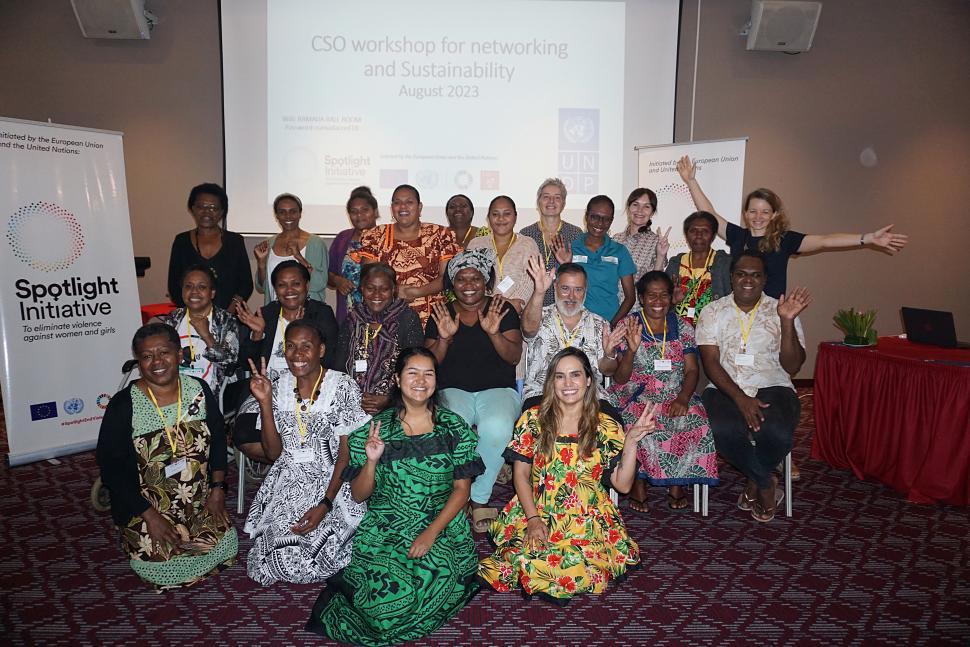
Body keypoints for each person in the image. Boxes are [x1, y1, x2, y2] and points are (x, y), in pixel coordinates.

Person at [307, 347, 484, 646]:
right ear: (397, 379)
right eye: (412, 372)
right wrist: (372, 460)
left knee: (425, 582)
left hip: (441, 525)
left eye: (428, 373)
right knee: (381, 608)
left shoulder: (454, 428)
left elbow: (461, 491)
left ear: (436, 380)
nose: (420, 380)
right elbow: (360, 494)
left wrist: (430, 534)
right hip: (386, 527)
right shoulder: (374, 430)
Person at [478, 348, 655, 602]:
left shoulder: (605, 425)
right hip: (539, 509)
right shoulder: (532, 419)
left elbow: (623, 486)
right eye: (560, 376)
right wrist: (533, 519)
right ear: (551, 382)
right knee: (525, 559)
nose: (568, 383)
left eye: (575, 375)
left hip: (587, 518)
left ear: (588, 380)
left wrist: (631, 443)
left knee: (571, 570)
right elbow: (521, 476)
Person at [96, 323, 237, 590]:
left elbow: (218, 440)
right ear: (139, 362)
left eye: (164, 352)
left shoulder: (198, 390)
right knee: (160, 565)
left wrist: (218, 490)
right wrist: (149, 516)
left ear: (179, 355)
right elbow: (111, 469)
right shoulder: (124, 404)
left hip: (196, 500)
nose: (157, 362)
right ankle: (133, 534)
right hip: (146, 506)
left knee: (228, 545)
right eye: (147, 356)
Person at [241, 320, 370, 585]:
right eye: (291, 347)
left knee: (321, 547)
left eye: (306, 346)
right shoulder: (276, 387)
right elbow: (274, 452)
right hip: (289, 479)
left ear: (321, 350)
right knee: (278, 549)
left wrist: (325, 503)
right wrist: (265, 402)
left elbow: (346, 455)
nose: (297, 354)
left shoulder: (343, 386)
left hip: (334, 480)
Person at [677, 155, 909, 298]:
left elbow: (825, 240)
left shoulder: (784, 239)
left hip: (772, 315)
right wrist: (691, 181)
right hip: (738, 311)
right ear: (745, 214)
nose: (758, 216)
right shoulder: (738, 236)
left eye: (765, 211)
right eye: (753, 211)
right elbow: (709, 214)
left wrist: (867, 238)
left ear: (774, 214)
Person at [696, 251, 811, 523]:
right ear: (731, 277)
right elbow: (711, 363)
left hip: (774, 385)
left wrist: (786, 322)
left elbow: (793, 366)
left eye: (756, 275)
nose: (748, 280)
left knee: (777, 432)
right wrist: (741, 399)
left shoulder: (782, 309)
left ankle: (753, 482)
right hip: (725, 387)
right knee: (721, 429)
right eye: (741, 274)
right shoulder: (713, 311)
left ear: (765, 279)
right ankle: (765, 482)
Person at [425, 248, 522, 533]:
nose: (468, 285)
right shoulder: (442, 312)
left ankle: (477, 498)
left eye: (475, 278)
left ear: (486, 281)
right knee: (454, 428)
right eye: (461, 279)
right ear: (453, 284)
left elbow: (514, 357)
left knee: (497, 427)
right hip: (453, 390)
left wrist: (493, 332)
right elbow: (430, 363)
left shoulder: (502, 309)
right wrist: (443, 339)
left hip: (498, 390)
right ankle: (457, 492)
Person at [608, 271, 718, 512]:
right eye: (651, 295)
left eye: (664, 295)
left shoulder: (684, 327)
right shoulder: (627, 325)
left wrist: (683, 398)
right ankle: (637, 483)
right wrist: (631, 351)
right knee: (640, 426)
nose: (658, 301)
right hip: (636, 393)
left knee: (696, 423)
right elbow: (619, 377)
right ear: (641, 298)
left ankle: (677, 483)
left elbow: (691, 370)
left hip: (674, 393)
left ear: (671, 297)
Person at [235, 260, 339, 464]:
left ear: (306, 286)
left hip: (308, 386)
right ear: (275, 289)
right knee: (244, 437)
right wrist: (257, 335)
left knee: (308, 437)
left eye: (296, 283)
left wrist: (298, 328)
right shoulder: (267, 314)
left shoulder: (321, 313)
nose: (289, 290)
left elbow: (329, 357)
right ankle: (292, 465)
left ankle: (294, 468)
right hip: (267, 386)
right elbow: (246, 363)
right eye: (282, 285)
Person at [520, 258, 625, 421]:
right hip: (543, 394)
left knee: (613, 427)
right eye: (565, 289)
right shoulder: (540, 316)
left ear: (586, 290)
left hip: (589, 396)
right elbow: (527, 329)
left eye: (578, 290)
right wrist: (539, 292)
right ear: (555, 287)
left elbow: (608, 371)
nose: (571, 296)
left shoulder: (599, 323)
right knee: (534, 428)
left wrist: (609, 354)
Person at [355, 184, 460, 325]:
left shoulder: (440, 234)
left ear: (420, 207)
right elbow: (369, 278)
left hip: (432, 317)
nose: (403, 207)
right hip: (387, 316)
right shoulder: (375, 235)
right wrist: (396, 292)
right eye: (397, 202)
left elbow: (447, 277)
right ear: (392, 208)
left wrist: (416, 292)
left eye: (409, 202)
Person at [333, 263, 425, 414]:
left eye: (384, 289)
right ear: (362, 289)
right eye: (370, 288)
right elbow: (339, 366)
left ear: (394, 290)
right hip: (353, 402)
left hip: (397, 403)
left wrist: (390, 398)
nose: (377, 295)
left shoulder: (407, 318)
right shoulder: (353, 319)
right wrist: (354, 397)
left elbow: (413, 367)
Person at [167, 182, 252, 314]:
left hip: (230, 317)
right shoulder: (181, 241)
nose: (207, 212)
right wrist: (193, 312)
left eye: (213, 207)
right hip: (191, 317)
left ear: (222, 212)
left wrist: (228, 314)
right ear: (192, 209)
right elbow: (174, 285)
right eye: (201, 206)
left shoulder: (235, 241)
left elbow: (246, 284)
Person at [158, 265, 240, 399]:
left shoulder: (226, 320)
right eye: (188, 286)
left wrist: (206, 335)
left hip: (212, 394)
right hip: (175, 392)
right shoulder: (173, 318)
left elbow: (230, 362)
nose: (194, 292)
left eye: (201, 287)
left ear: (212, 292)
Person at [466, 195, 540, 314]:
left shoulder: (528, 244)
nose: (501, 219)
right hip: (482, 312)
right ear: (488, 218)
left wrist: (516, 304)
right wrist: (488, 304)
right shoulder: (476, 244)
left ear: (515, 217)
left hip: (517, 313)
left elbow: (530, 278)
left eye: (507, 214)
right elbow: (470, 279)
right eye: (495, 214)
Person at [570, 195, 637, 326]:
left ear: (611, 220)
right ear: (587, 216)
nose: (600, 223)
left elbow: (630, 297)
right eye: (595, 217)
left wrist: (612, 325)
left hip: (609, 322)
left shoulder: (619, 251)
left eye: (606, 219)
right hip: (576, 324)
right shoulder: (571, 248)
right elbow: (563, 288)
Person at [253, 193, 329, 305]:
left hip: (308, 315)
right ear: (276, 215)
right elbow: (262, 287)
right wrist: (261, 263)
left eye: (293, 211)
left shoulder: (316, 243)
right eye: (282, 212)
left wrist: (299, 256)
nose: (288, 216)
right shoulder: (268, 244)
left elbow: (320, 283)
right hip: (276, 314)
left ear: (300, 213)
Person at [519, 178, 584, 306]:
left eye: (557, 197)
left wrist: (568, 264)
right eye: (546, 197)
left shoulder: (575, 233)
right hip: (532, 303)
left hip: (565, 305)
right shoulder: (526, 233)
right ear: (538, 202)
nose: (551, 201)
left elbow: (581, 274)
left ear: (564, 203)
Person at [664, 211, 732, 326]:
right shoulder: (675, 263)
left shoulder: (725, 263)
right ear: (686, 235)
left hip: (713, 332)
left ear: (713, 235)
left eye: (705, 231)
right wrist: (672, 301)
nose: (699, 235)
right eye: (693, 230)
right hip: (678, 332)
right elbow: (662, 304)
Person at [329, 186, 380, 324]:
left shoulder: (386, 237)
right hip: (348, 316)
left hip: (380, 316)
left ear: (375, 211)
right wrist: (337, 280)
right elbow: (328, 275)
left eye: (365, 210)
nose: (359, 216)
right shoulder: (342, 238)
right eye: (354, 212)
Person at [613, 188, 670, 304]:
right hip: (610, 307)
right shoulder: (615, 239)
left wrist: (660, 255)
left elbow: (655, 282)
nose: (640, 210)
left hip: (636, 311)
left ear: (652, 212)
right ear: (628, 208)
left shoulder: (656, 242)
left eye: (646, 207)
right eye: (635, 205)